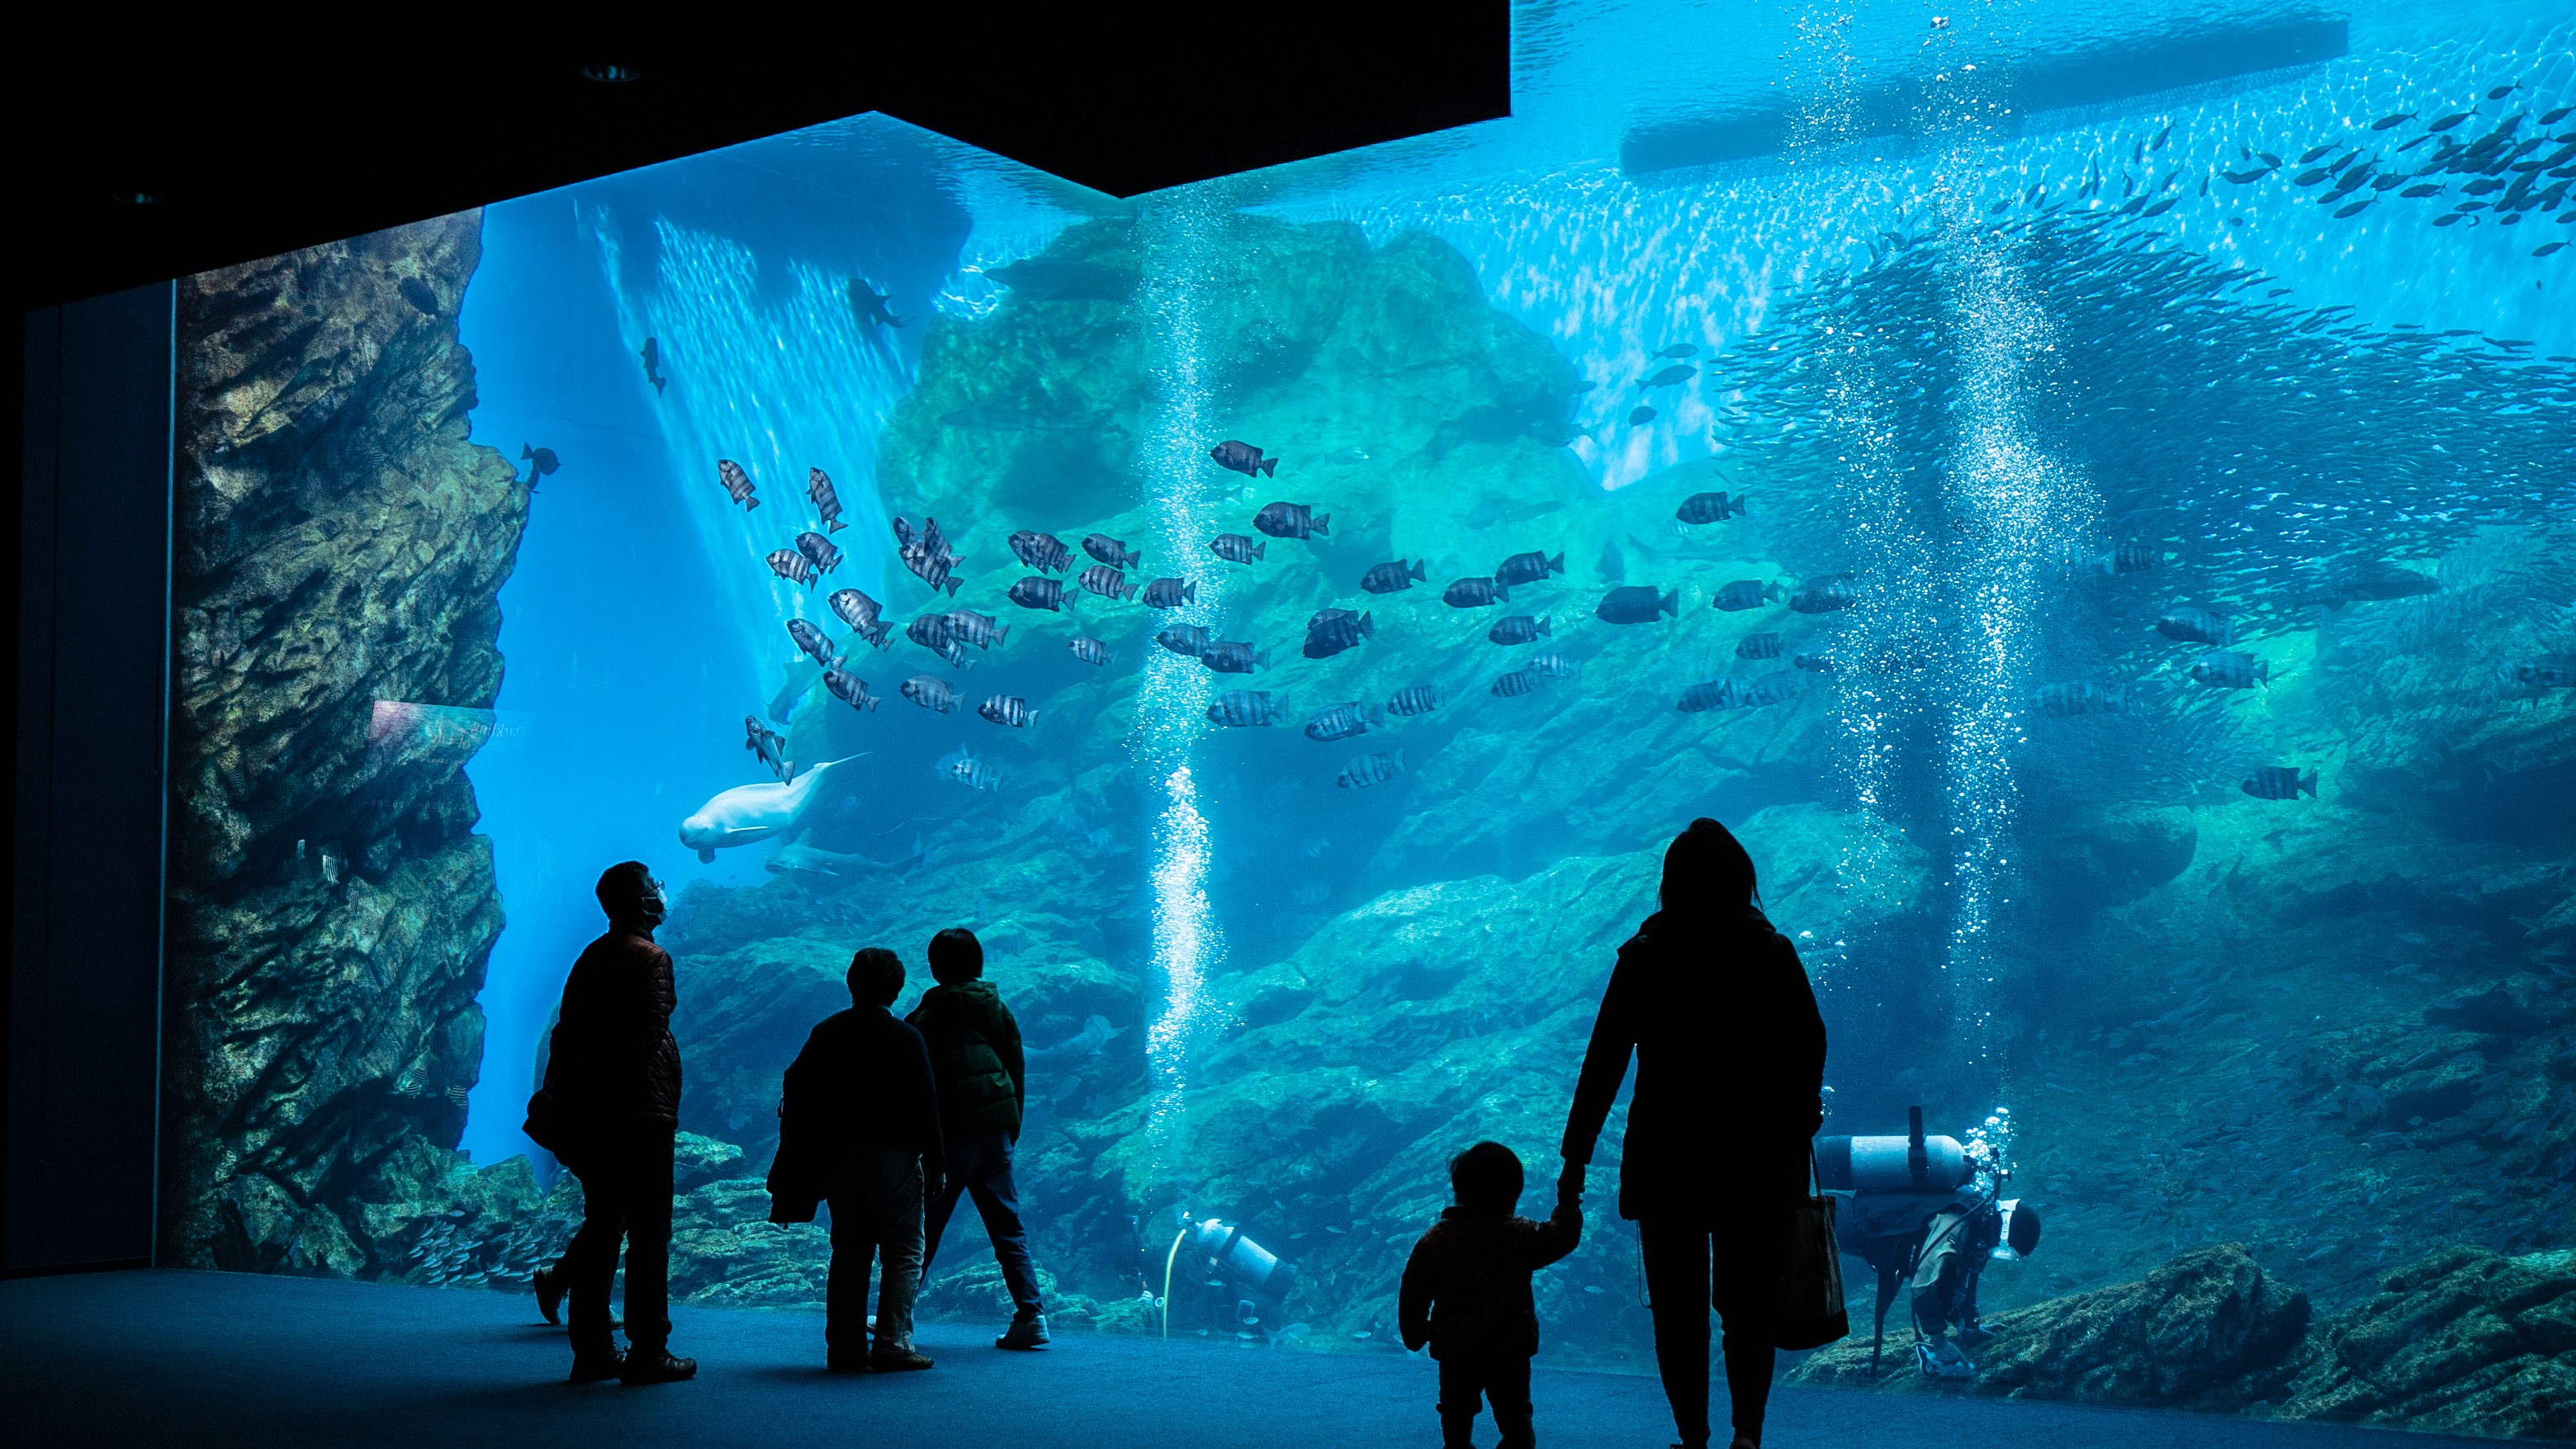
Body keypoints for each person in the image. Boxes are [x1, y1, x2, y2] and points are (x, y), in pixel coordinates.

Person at [1560, 819, 1826, 1449]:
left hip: (1667, 1155)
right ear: (1742, 880)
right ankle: (1748, 1436)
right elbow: (1810, 1041)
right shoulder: (1771, 952)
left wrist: (1574, 1162)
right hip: (1755, 1155)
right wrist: (1799, 1115)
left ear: (1670, 883)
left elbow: (1602, 1066)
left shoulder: (1645, 957)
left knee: (1679, 1312)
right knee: (1748, 1308)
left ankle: (1693, 1437)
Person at [523, 862, 697, 1385]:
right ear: (642, 903)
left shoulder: (591, 957)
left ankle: (593, 1350)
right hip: (640, 1117)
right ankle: (649, 1350)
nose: (661, 892)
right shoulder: (652, 958)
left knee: (602, 1230)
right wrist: (626, 1107)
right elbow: (644, 1041)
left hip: (595, 1116)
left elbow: (567, 1036)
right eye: (653, 887)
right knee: (649, 1235)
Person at [767, 946, 947, 1371]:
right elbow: (927, 1104)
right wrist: (937, 1161)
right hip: (895, 1161)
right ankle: (893, 1343)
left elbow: (795, 1086)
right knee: (904, 1250)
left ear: (851, 984)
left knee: (849, 1249)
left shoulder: (827, 1031)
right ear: (898, 988)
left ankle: (845, 1346)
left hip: (840, 1159)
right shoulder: (906, 1037)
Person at [907, 926, 1049, 1349]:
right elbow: (1016, 1068)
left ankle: (898, 1316)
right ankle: (1032, 1314)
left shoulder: (929, 1014)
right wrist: (1012, 1127)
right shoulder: (997, 1008)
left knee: (922, 1230)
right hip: (996, 1133)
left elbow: (913, 1075)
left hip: (950, 1138)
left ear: (935, 968)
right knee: (1009, 1229)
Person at [1399, 1141, 1583, 1449]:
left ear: (1459, 1189)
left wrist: (1415, 1332)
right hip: (1508, 1349)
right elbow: (1563, 1235)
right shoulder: (1521, 1236)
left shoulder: (1437, 1239)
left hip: (1456, 1349)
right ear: (1513, 1192)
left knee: (1456, 1418)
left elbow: (1414, 1290)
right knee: (1516, 1421)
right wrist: (1568, 1199)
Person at [1909, 1196, 2039, 1378]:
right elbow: (1922, 1283)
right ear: (2004, 1234)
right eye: (2005, 1252)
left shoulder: (1977, 1235)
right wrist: (1940, 1344)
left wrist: (1968, 1327)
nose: (1998, 1256)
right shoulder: (1956, 1226)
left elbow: (1952, 1286)